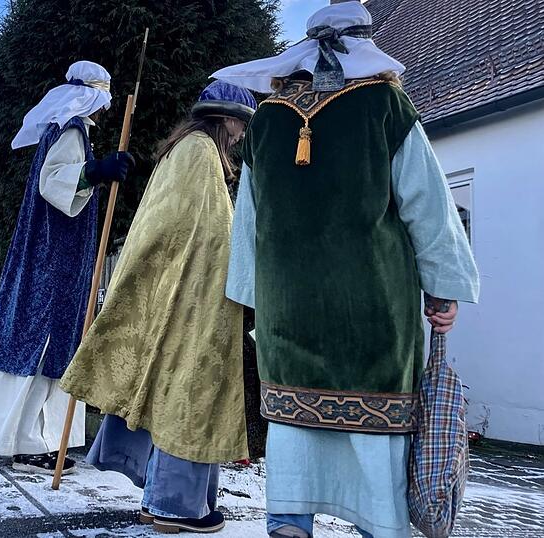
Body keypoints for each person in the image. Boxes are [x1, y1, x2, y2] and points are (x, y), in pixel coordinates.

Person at [214, 3, 480, 537]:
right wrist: (442, 289)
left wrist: (253, 297)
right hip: (372, 315)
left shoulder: (267, 119)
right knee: (374, 444)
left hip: (288, 317)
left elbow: (249, 225)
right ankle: (379, 525)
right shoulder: (385, 104)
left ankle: (289, 521)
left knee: (295, 433)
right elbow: (427, 206)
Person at [60, 80, 256, 534]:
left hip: (173, 292)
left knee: (170, 389)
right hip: (196, 299)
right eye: (241, 125)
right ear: (226, 119)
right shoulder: (201, 154)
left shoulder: (181, 150)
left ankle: (159, 500)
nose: (242, 135)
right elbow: (211, 236)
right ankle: (176, 506)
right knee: (191, 393)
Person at [0, 60, 134, 475]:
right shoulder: (71, 130)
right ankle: (29, 444)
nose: (107, 109)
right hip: (53, 260)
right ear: (93, 98)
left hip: (55, 257)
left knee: (48, 347)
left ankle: (35, 441)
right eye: (105, 101)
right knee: (44, 344)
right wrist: (95, 171)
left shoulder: (65, 130)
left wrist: (95, 170)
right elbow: (52, 181)